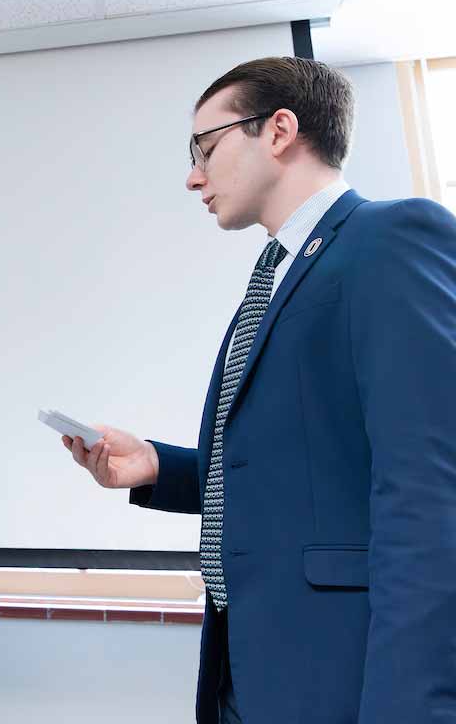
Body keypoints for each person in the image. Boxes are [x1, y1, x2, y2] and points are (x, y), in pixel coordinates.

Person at [64, 57, 456, 723]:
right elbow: (307, 469)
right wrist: (161, 468)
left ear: (279, 130)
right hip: (248, 665)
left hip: (342, 675)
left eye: (205, 149)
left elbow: (429, 492)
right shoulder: (279, 272)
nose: (193, 176)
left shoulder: (391, 239)